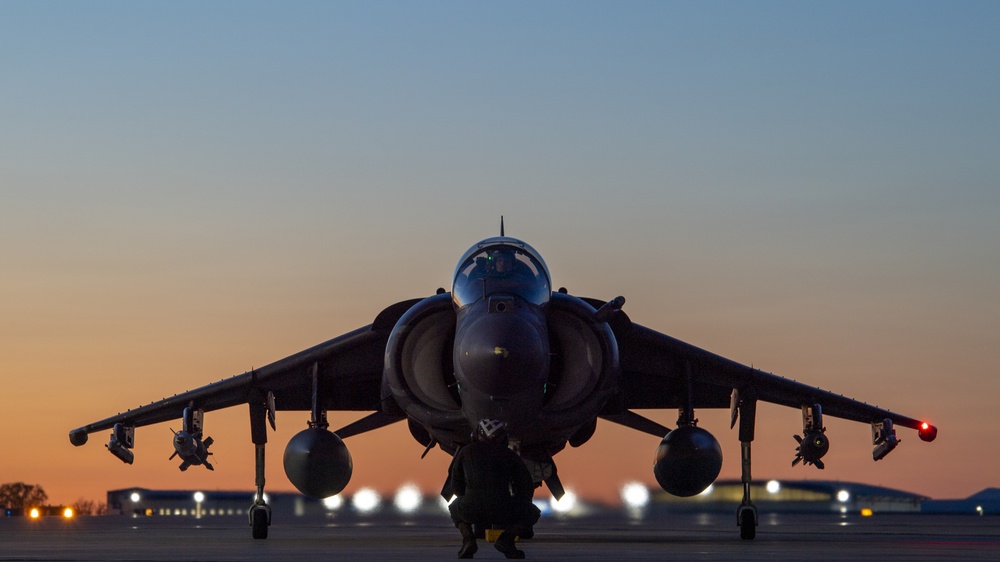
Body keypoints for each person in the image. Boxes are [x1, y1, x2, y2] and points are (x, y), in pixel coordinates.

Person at [449, 419, 541, 559]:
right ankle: (506, 540)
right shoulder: (510, 455)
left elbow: (455, 484)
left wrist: (466, 498)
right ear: (503, 438)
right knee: (533, 512)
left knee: (454, 508)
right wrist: (518, 501)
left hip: (470, 508)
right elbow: (526, 486)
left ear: (476, 435)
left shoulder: (465, 452)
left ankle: (468, 539)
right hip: (503, 508)